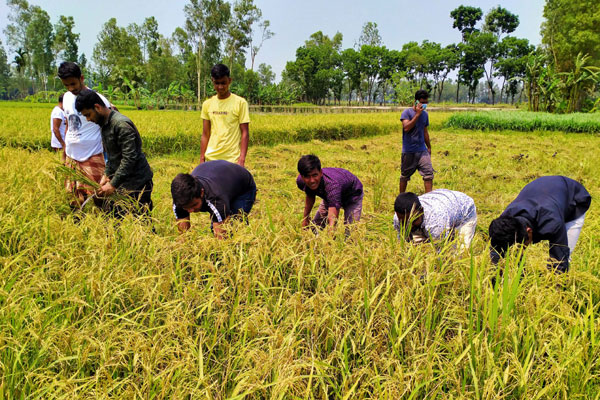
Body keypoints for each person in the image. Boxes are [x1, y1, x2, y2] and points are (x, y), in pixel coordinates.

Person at [75, 89, 154, 217]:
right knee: (115, 219)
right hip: (123, 180)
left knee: (141, 220)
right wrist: (106, 175)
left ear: (97, 107)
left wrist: (112, 184)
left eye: (88, 114)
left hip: (138, 182)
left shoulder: (121, 124)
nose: (88, 119)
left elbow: (129, 158)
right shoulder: (104, 124)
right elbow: (113, 156)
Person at [489, 176, 591, 273]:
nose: (521, 248)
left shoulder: (552, 223)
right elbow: (496, 251)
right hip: (542, 189)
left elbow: (559, 261)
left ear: (529, 231)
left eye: (522, 245)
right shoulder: (506, 219)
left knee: (564, 255)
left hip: (574, 197)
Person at [58, 62, 111, 206]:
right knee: (73, 197)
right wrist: (64, 153)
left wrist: (110, 150)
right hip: (72, 155)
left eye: (73, 84)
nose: (71, 88)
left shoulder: (96, 98)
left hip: (92, 154)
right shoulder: (67, 98)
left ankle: (105, 225)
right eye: (66, 85)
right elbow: (69, 123)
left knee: (99, 195)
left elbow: (113, 119)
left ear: (81, 78)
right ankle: (77, 225)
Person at [171, 160, 257, 239]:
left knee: (234, 226)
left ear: (201, 193)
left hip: (243, 188)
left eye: (194, 205)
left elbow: (221, 239)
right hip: (218, 178)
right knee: (218, 222)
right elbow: (183, 235)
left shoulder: (215, 198)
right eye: (186, 208)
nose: (191, 210)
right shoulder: (179, 200)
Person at [199, 64, 250, 166]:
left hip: (232, 159)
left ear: (229, 81)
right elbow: (205, 134)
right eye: (217, 83)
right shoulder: (207, 104)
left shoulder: (240, 103)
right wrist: (201, 158)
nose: (220, 87)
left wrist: (242, 159)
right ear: (212, 81)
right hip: (211, 158)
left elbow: (245, 133)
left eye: (223, 83)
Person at [296, 155, 363, 232]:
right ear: (302, 176)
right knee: (315, 227)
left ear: (321, 173)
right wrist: (305, 218)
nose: (312, 181)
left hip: (352, 195)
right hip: (329, 196)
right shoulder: (301, 182)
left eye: (315, 175)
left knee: (351, 230)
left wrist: (330, 238)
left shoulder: (332, 185)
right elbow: (310, 195)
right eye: (307, 177)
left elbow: (332, 218)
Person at [393, 190, 477, 248]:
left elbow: (441, 253)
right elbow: (403, 242)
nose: (409, 226)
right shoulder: (398, 218)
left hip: (464, 210)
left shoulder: (436, 222)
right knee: (417, 247)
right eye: (404, 223)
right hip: (442, 201)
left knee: (460, 252)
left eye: (413, 220)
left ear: (421, 211)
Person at [399, 89, 433, 194]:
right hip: (409, 151)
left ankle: (429, 199)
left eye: (426, 103)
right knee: (405, 176)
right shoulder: (407, 113)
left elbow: (425, 132)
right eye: (422, 102)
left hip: (422, 150)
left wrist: (429, 147)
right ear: (416, 101)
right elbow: (406, 128)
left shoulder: (425, 115)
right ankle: (401, 197)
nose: (424, 105)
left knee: (428, 174)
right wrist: (417, 115)